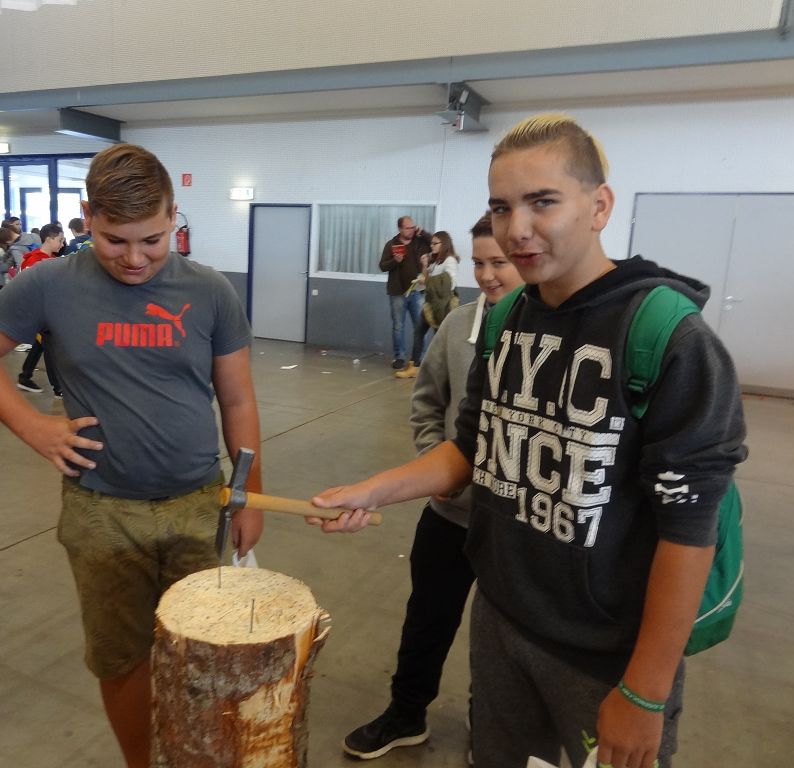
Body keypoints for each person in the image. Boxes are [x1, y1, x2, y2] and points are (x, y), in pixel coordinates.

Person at [312, 113, 747, 768]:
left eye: (543, 202)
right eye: (501, 206)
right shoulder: (508, 319)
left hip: (607, 654)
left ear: (599, 206)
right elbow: (470, 448)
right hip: (502, 621)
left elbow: (689, 529)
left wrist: (646, 691)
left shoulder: (669, 336)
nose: (516, 229)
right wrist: (374, 489)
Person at [0, 142, 263, 768]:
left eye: (152, 240)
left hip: (199, 503)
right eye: (115, 240)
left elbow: (237, 399)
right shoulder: (49, 284)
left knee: (205, 652)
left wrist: (248, 492)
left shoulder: (210, 292)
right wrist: (34, 427)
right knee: (122, 658)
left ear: (173, 215)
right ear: (88, 216)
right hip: (101, 512)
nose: (135, 258)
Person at [344, 215, 522, 760]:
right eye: (480, 263)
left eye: (500, 263)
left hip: (515, 527)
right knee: (427, 618)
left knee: (503, 637)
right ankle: (406, 714)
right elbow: (427, 404)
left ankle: (487, 721)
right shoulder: (457, 327)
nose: (488, 275)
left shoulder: (549, 336)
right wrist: (433, 464)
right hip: (450, 516)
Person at [395, 230, 460, 380]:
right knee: (419, 331)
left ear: (444, 244)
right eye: (431, 243)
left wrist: (427, 281)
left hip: (443, 306)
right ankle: (414, 365)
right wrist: (424, 265)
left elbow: (449, 283)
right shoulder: (437, 262)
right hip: (431, 304)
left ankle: (442, 370)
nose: (432, 246)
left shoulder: (450, 261)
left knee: (440, 338)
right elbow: (425, 277)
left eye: (435, 243)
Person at [15, 223, 66, 395]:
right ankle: (58, 387)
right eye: (60, 240)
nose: (62, 244)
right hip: (39, 311)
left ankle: (25, 377)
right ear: (49, 239)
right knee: (50, 344)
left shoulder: (47, 260)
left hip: (46, 310)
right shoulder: (35, 261)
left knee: (41, 343)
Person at [380, 216, 430, 370]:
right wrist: (395, 261)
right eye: (408, 228)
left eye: (413, 227)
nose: (411, 230)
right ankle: (399, 357)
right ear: (400, 229)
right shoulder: (391, 244)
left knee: (420, 326)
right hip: (397, 292)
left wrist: (423, 233)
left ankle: (419, 358)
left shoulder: (420, 241)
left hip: (417, 291)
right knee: (398, 326)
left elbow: (436, 244)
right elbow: (382, 266)